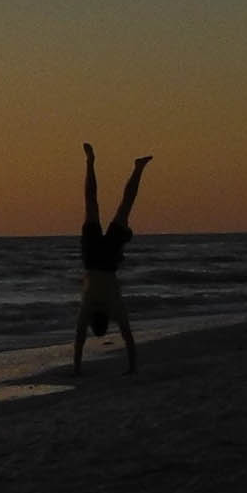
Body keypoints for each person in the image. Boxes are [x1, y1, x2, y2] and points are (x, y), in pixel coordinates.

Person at [73, 143, 150, 376]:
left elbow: (128, 339)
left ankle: (137, 169)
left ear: (106, 321)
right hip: (93, 259)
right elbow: (78, 343)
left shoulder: (115, 310)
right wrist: (76, 368)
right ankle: (90, 161)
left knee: (124, 207)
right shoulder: (86, 312)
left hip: (106, 262)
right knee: (92, 202)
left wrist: (133, 367)